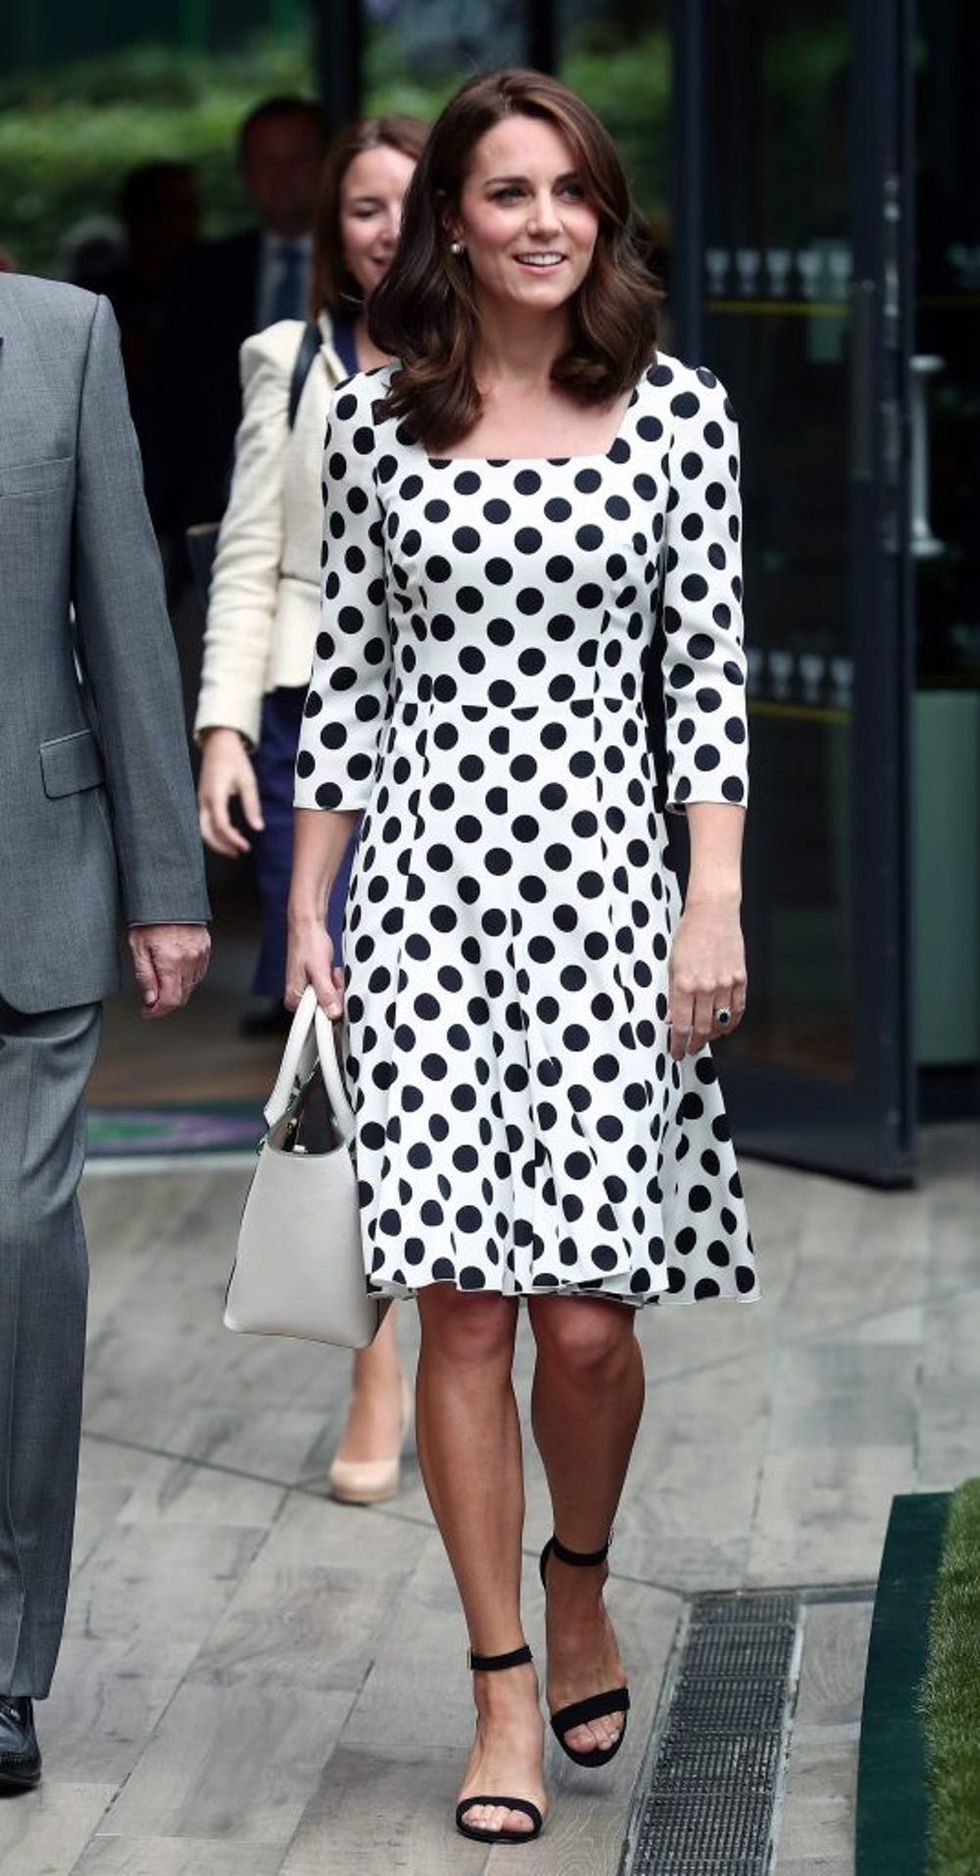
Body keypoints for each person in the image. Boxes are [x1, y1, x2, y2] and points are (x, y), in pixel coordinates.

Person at [286, 66, 759, 1846]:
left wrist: (710, 901)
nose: (544, 220)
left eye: (570, 188)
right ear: (452, 224)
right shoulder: (376, 419)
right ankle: (496, 1682)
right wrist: (316, 912)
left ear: (602, 209)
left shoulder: (677, 414)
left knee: (583, 1324)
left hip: (603, 909)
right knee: (464, 1312)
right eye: (507, 193)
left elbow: (708, 681)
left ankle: (581, 1573)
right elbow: (348, 681)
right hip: (420, 905)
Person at [195, 113, 427, 1503]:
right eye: (360, 210)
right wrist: (223, 727)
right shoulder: (285, 366)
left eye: (408, 203)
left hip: (454, 738)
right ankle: (374, 1359)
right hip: (305, 735)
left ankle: (459, 1326)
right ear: (330, 232)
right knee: (341, 1041)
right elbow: (248, 557)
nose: (384, 230)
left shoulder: (493, 363)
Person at [0, 273, 211, 1791]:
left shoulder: (60, 336)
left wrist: (164, 877)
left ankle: (4, 1660)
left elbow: (124, 606)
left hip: (38, 870)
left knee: (19, 1241)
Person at [137, 96, 327, 542]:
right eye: (265, 162)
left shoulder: (370, 265)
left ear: (329, 164)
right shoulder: (200, 275)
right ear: (244, 172)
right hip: (218, 519)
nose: (281, 177)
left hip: (340, 514)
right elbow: (164, 411)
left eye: (297, 159)